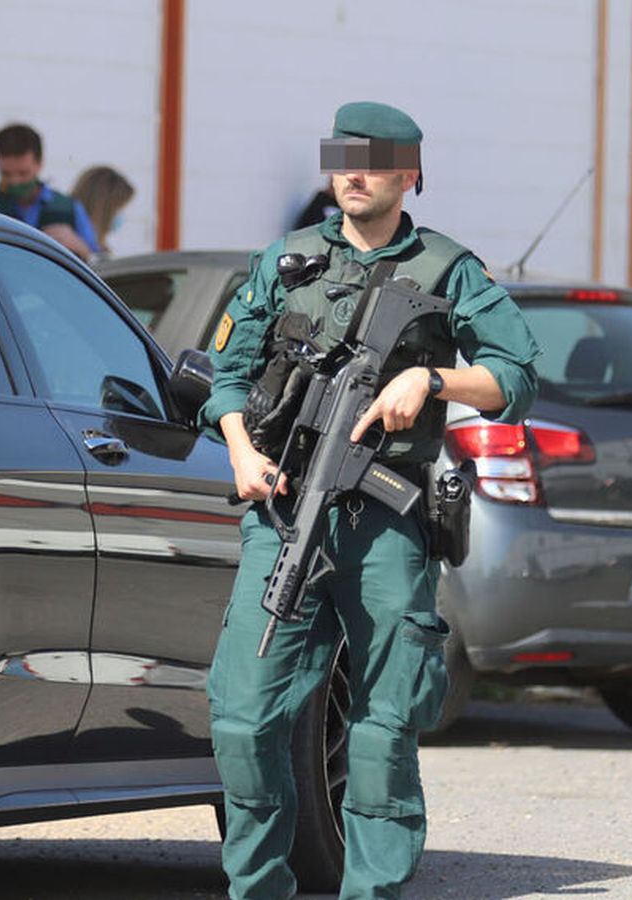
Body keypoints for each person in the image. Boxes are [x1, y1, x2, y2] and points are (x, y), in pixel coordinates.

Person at [201, 101, 540, 899]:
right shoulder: (284, 262)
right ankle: (258, 887)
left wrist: (430, 379)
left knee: (383, 727)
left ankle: (372, 890)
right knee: (244, 714)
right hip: (283, 510)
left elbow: (516, 377)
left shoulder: (449, 270)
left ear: (409, 172)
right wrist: (243, 453)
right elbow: (225, 376)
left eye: (376, 158)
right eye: (343, 156)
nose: (355, 171)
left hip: (385, 519)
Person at [0, 123, 100, 261]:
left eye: (23, 173)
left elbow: (95, 260)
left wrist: (80, 247)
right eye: (5, 174)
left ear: (40, 164)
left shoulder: (69, 208)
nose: (15, 181)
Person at [70, 165, 134, 261]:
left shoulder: (97, 251)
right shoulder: (73, 247)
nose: (121, 215)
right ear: (103, 210)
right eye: (119, 209)